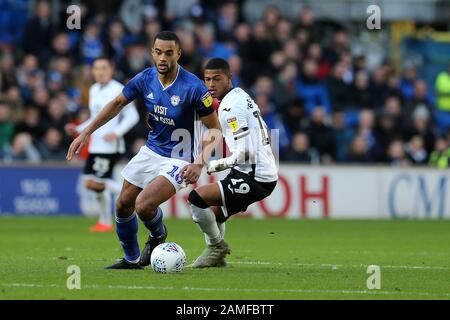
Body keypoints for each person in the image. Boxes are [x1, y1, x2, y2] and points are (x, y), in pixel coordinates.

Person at [66, 31, 221, 269]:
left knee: (144, 205)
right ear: (152, 52)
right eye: (158, 52)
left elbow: (214, 130)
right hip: (151, 150)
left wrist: (199, 163)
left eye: (169, 53)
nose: (162, 58)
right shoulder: (146, 78)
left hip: (180, 158)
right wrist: (86, 132)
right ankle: (131, 260)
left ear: (178, 54)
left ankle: (158, 235)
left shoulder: (194, 88)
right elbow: (118, 103)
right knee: (122, 203)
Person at [187, 58, 278, 268]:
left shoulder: (230, 108)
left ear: (229, 78)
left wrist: (216, 165)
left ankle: (216, 247)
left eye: (217, 79)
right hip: (256, 172)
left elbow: (245, 153)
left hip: (254, 176)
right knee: (216, 212)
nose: (210, 85)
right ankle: (216, 258)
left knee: (196, 198)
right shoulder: (240, 96)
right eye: (207, 79)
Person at [65, 57, 140, 232]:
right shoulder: (93, 89)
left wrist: (117, 132)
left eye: (104, 68)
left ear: (111, 69)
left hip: (109, 146)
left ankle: (137, 195)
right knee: (90, 183)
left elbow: (133, 116)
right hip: (95, 144)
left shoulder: (118, 89)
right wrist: (79, 128)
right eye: (97, 68)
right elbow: (95, 118)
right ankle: (105, 221)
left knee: (96, 183)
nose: (100, 72)